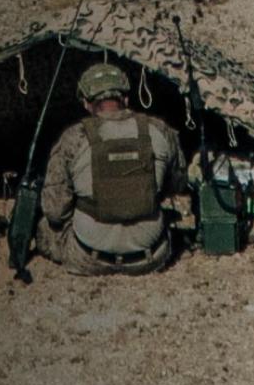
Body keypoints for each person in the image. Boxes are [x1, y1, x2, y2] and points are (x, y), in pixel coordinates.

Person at [36, 62, 181, 276]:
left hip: (89, 257)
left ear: (86, 103)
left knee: (44, 227)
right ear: (125, 99)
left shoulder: (73, 139)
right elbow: (177, 184)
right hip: (150, 256)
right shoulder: (160, 130)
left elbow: (55, 212)